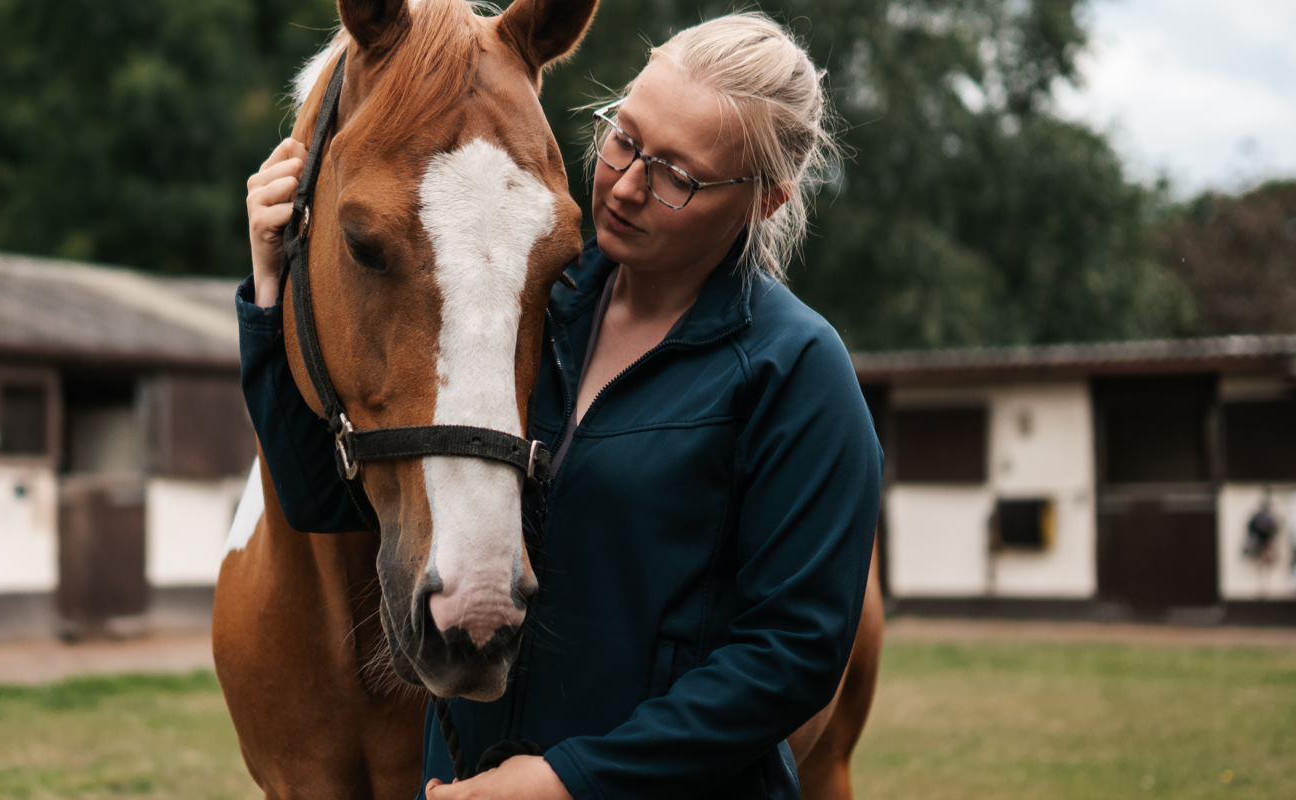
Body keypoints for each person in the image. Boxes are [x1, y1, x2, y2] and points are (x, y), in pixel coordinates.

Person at [240, 13, 881, 800]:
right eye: (624, 136)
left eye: (677, 175)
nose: (627, 183)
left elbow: (792, 659)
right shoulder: (530, 312)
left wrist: (564, 783)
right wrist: (272, 291)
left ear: (764, 201)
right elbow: (324, 500)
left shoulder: (799, 372)